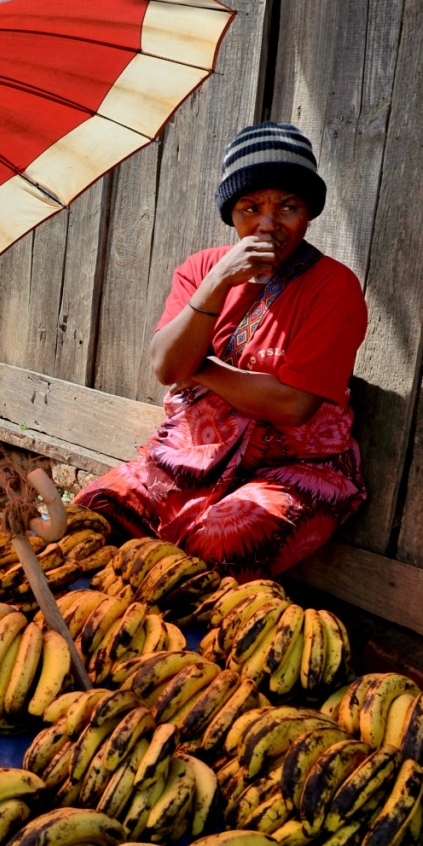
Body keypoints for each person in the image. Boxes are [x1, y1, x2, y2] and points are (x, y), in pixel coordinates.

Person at [74, 121, 368, 580]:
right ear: (231, 213)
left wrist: (200, 367)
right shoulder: (201, 269)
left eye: (288, 206)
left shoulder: (333, 286)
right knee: (92, 514)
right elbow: (167, 366)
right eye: (251, 208)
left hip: (290, 467)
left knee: (220, 542)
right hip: (188, 458)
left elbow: (293, 404)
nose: (268, 225)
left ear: (309, 212)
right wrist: (218, 282)